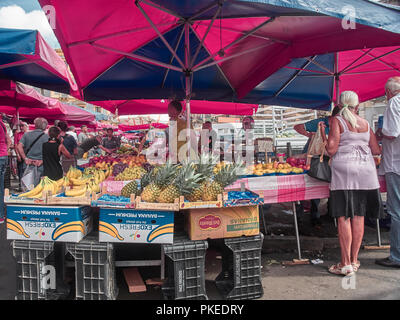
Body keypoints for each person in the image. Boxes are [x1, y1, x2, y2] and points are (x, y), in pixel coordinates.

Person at [320, 91, 383, 276]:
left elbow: (331, 150)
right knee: (359, 216)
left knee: (343, 217)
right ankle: (354, 261)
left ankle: (345, 263)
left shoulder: (337, 121)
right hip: (367, 172)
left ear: (340, 104)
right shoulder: (365, 123)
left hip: (344, 172)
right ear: (357, 104)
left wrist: (324, 136)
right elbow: (376, 149)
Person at [294, 106, 341, 227]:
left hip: (330, 161)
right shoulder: (320, 122)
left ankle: (329, 214)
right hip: (312, 160)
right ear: (333, 116)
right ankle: (308, 216)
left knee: (329, 187)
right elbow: (297, 127)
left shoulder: (341, 125)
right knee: (311, 185)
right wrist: (309, 134)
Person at [375, 77, 400, 268]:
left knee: (396, 211)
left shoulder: (394, 102)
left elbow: (391, 132)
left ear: (388, 92)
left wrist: (379, 132)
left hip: (396, 165)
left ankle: (397, 256)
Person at [17, 117, 49, 182]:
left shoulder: (27, 134)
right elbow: (50, 151)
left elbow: (19, 146)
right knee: (40, 187)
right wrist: (43, 160)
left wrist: (25, 158)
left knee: (28, 185)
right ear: (45, 126)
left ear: (35, 125)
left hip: (28, 163)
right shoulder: (47, 137)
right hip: (41, 164)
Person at [0, 115, 12, 224]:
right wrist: (4, 150)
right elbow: (9, 141)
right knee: (1, 187)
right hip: (3, 156)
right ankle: (1, 216)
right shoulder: (2, 124)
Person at [13, 121, 28, 191]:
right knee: (20, 170)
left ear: (26, 126)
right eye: (20, 126)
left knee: (27, 170)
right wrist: (18, 154)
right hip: (20, 155)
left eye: (22, 126)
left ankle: (26, 185)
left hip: (27, 155)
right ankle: (21, 185)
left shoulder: (29, 134)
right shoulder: (17, 134)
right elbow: (15, 145)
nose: (21, 127)